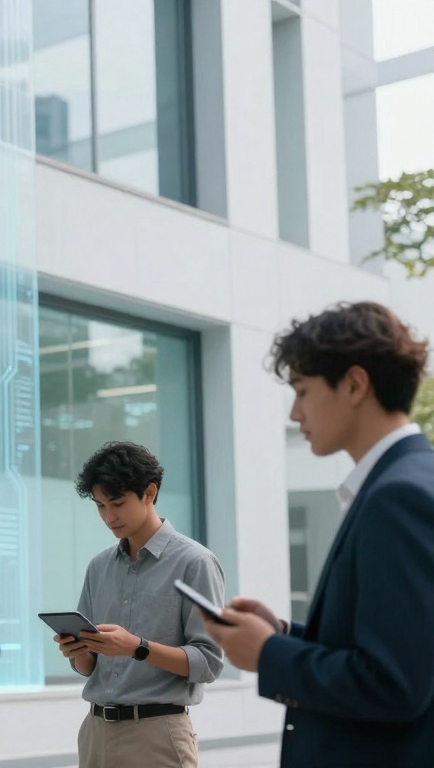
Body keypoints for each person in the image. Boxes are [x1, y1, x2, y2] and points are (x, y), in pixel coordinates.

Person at [204, 302, 434, 768]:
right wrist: (284, 634)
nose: (295, 413)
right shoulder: (407, 480)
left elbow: (396, 684)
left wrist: (268, 653)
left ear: (354, 384)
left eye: (302, 391)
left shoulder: (398, 495)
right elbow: (398, 644)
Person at [53, 442, 224, 768]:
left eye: (117, 503)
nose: (108, 517)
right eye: (100, 505)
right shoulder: (98, 567)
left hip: (156, 735)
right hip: (95, 732)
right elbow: (89, 667)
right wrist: (79, 652)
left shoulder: (194, 563)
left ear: (149, 493)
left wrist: (137, 647)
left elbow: (209, 663)